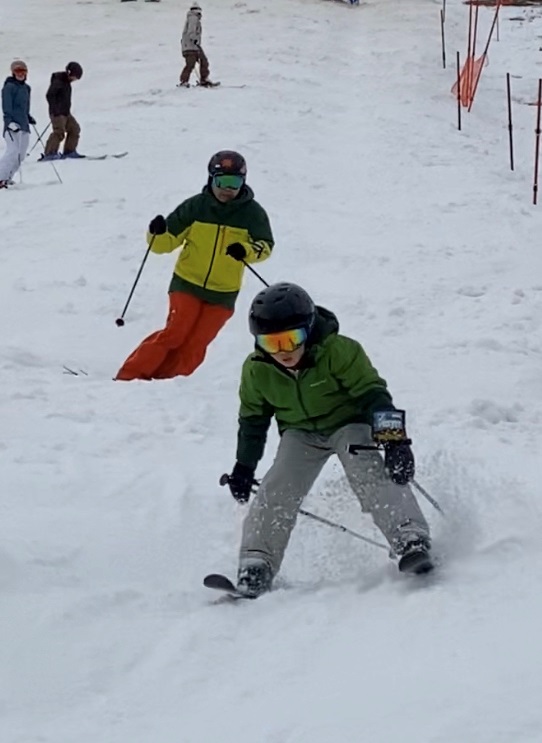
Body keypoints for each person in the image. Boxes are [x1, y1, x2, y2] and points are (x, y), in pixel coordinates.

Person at [224, 282, 433, 598]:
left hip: (348, 423)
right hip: (300, 434)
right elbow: (253, 420)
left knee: (364, 467)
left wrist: (395, 441)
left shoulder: (339, 351)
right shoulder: (256, 371)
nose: (283, 351)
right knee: (277, 486)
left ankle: (409, 537)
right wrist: (244, 466)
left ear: (308, 330)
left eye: (291, 339)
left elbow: (373, 394)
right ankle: (257, 563)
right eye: (271, 342)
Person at [115, 150, 274, 381]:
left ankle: (167, 382)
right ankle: (129, 376)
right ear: (211, 179)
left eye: (234, 182)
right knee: (175, 334)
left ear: (243, 182)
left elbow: (265, 246)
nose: (226, 189)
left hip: (223, 292)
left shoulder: (253, 214)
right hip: (187, 283)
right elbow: (164, 244)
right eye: (221, 181)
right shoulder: (196, 207)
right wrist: (156, 232)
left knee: (196, 344)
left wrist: (245, 250)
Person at [0, 60, 36, 190]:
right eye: (18, 71)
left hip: (24, 126)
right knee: (12, 151)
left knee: (20, 154)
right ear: (13, 73)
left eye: (23, 71)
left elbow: (25, 107)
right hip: (12, 126)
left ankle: (7, 178)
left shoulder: (26, 88)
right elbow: (6, 107)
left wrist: (28, 117)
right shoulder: (9, 87)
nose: (20, 74)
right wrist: (9, 122)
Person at [40, 61, 83, 161]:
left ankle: (69, 151)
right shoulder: (58, 81)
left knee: (74, 129)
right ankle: (50, 153)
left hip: (66, 113)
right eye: (75, 76)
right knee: (59, 132)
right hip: (57, 113)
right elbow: (49, 95)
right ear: (69, 73)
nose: (75, 79)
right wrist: (56, 109)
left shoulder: (66, 82)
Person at [179, 3, 215, 87]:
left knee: (202, 61)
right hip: (191, 46)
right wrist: (194, 39)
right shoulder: (193, 18)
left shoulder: (193, 18)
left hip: (191, 45)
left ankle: (203, 78)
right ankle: (185, 81)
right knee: (192, 63)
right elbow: (191, 31)